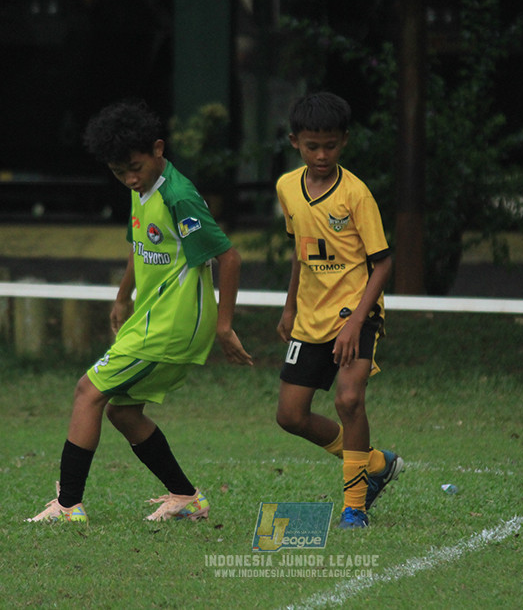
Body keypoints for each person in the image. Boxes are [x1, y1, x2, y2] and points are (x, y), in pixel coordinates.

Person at [27, 99, 253, 524]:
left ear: (158, 150)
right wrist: (122, 296)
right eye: (119, 172)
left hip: (174, 323)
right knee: (123, 411)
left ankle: (68, 505)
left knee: (87, 392)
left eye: (135, 167)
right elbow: (142, 245)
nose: (130, 178)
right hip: (153, 318)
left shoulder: (178, 195)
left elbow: (231, 258)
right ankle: (186, 497)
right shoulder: (143, 189)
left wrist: (225, 327)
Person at [274, 91, 402, 529]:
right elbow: (301, 250)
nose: (322, 154)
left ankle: (355, 506)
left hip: (357, 309)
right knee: (290, 416)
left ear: (344, 142)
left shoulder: (356, 195)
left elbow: (382, 262)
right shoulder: (287, 187)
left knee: (349, 399)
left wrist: (357, 323)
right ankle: (377, 463)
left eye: (330, 145)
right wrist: (289, 306)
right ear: (295, 142)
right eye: (313, 146)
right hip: (310, 313)